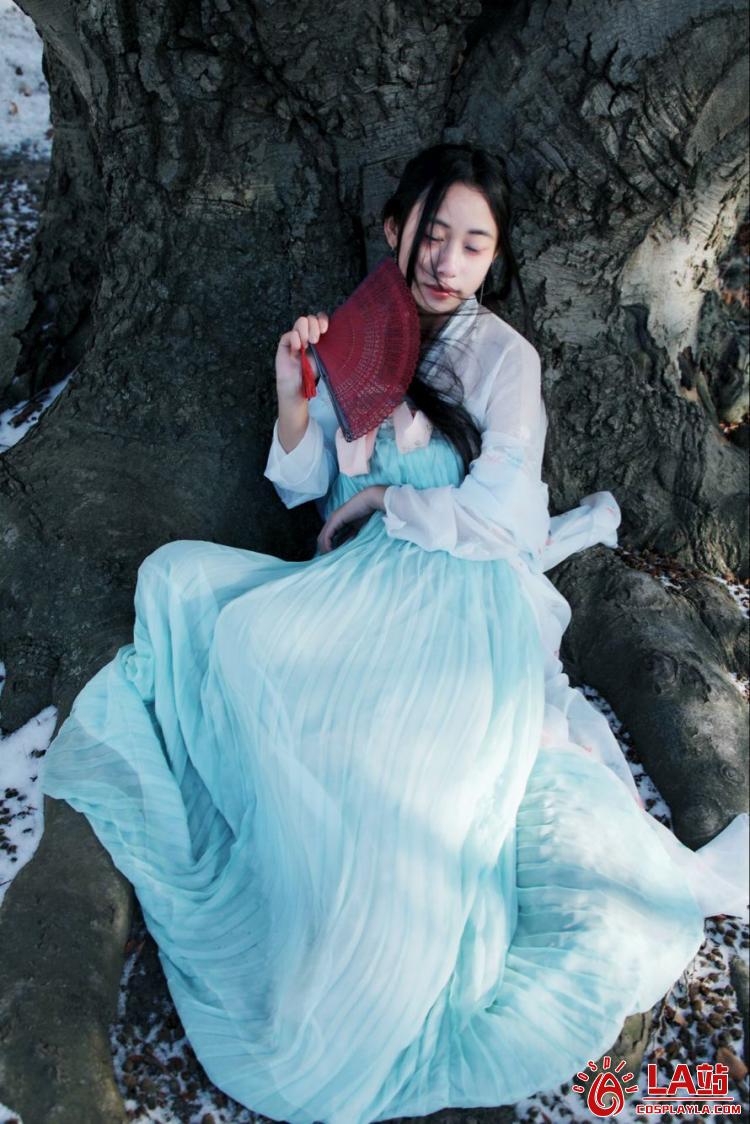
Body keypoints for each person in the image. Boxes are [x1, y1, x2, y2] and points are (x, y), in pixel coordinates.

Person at [41, 143, 748, 1124]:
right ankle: (299, 906)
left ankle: (367, 965)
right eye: (433, 234)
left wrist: (388, 501)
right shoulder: (358, 330)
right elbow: (304, 486)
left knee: (392, 767)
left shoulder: (503, 359)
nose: (448, 261)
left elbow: (504, 515)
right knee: (189, 590)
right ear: (394, 229)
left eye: (474, 244)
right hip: (358, 580)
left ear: (494, 257)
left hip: (462, 594)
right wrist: (296, 394)